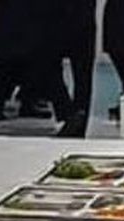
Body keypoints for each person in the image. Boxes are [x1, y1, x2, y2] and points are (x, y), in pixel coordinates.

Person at [31, 0, 98, 137]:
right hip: (66, 15)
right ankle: (74, 117)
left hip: (60, 15)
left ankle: (72, 116)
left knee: (79, 72)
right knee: (81, 74)